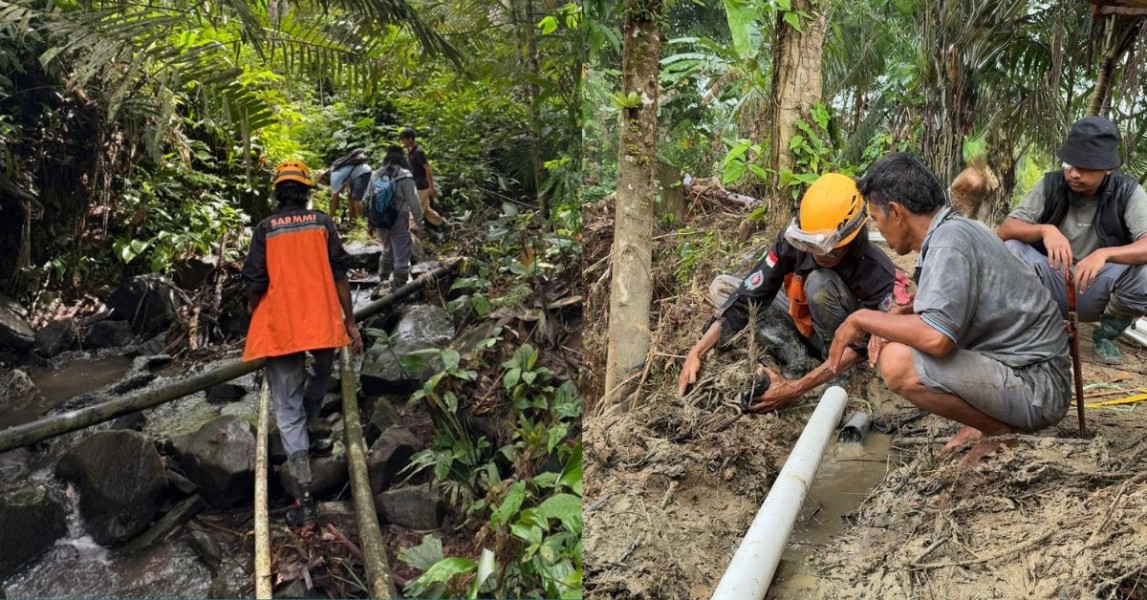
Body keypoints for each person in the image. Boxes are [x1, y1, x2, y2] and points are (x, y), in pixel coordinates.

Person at [827, 153, 1071, 464]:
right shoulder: (958, 230)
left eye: (876, 218)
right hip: (1033, 374)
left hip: (1037, 388)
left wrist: (863, 318)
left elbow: (936, 339)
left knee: (897, 363)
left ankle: (998, 432)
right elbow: (957, 303)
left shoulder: (947, 243)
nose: (879, 230)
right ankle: (989, 427)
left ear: (896, 212)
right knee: (901, 341)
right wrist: (898, 316)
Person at [677, 173, 896, 412]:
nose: (816, 254)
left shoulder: (877, 271)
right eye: (808, 245)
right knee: (724, 288)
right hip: (801, 324)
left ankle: (836, 374)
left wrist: (795, 388)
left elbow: (861, 346)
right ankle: (795, 355)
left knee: (819, 283)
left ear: (852, 236)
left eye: (826, 248)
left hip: (840, 345)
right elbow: (749, 297)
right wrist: (696, 352)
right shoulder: (791, 243)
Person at [241, 160, 364, 526]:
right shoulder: (323, 224)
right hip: (320, 321)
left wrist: (255, 312)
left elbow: (254, 282)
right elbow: (340, 274)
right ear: (307, 191)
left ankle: (305, 497)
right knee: (323, 370)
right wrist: (351, 323)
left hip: (281, 327)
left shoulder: (266, 228)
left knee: (287, 409)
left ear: (279, 193)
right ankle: (314, 410)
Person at [997, 116, 1147, 365]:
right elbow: (1006, 230)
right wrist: (1045, 230)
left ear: (1108, 168)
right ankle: (1032, 329)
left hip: (1097, 286)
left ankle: (1107, 336)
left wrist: (1104, 254)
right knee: (1011, 249)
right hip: (1052, 279)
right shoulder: (1051, 184)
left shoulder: (1127, 192)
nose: (1073, 174)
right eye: (1069, 164)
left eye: (1085, 168)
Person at [368, 145, 424, 297]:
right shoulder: (405, 175)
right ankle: (399, 286)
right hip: (399, 216)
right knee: (401, 249)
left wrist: (371, 223)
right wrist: (420, 224)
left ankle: (383, 280)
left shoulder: (376, 174)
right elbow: (414, 202)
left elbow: (368, 199)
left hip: (380, 217)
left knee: (387, 248)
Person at [398, 127, 445, 229]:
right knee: (427, 211)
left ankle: (413, 234)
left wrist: (431, 187)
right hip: (416, 184)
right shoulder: (411, 151)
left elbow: (427, 168)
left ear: (410, 139)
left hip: (422, 186)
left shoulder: (418, 152)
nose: (402, 142)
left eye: (403, 139)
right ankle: (443, 224)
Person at [319, 148, 372, 227]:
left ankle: (361, 226)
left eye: (322, 183)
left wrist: (330, 218)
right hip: (355, 174)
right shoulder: (333, 171)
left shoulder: (334, 179)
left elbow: (335, 201)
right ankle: (352, 224)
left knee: (356, 198)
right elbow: (345, 175)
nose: (325, 184)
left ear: (323, 178)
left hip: (363, 172)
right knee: (350, 199)